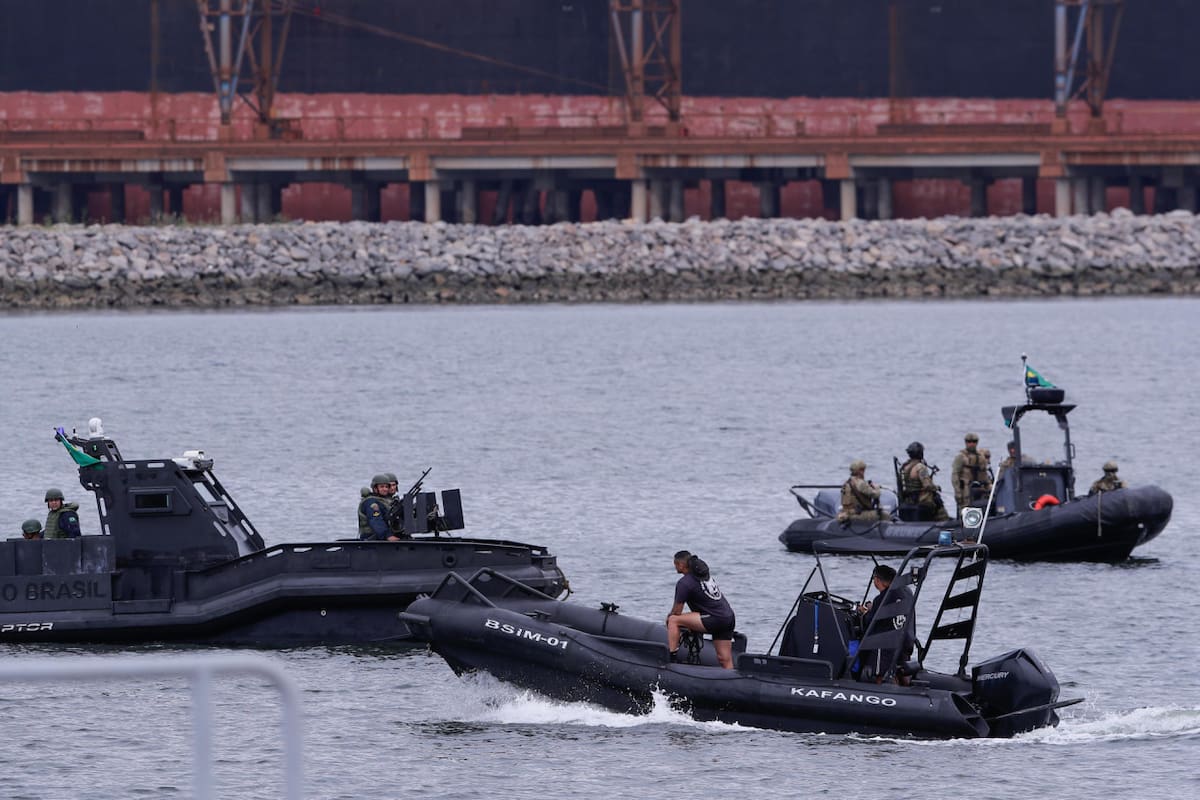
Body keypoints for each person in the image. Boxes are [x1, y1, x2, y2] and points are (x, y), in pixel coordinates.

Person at [667, 551, 736, 669]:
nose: (674, 567)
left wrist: (668, 618)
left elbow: (676, 612)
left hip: (714, 619)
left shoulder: (684, 583)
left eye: (675, 564)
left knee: (673, 620)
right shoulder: (705, 577)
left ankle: (671, 658)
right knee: (724, 659)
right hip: (728, 618)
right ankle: (732, 681)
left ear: (681, 565)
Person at [856, 564, 916, 684]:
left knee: (881, 673)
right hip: (906, 640)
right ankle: (907, 689)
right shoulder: (906, 592)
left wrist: (864, 613)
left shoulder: (882, 599)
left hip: (885, 645)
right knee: (900, 669)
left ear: (877, 580)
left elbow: (870, 622)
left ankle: (888, 693)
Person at [898, 442, 949, 522]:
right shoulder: (920, 467)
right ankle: (944, 521)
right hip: (921, 499)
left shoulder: (904, 467)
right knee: (937, 499)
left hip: (908, 499)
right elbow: (927, 485)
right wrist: (936, 487)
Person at [951, 433, 992, 514]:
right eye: (969, 442)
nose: (971, 444)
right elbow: (955, 476)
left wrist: (990, 487)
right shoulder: (960, 457)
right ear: (966, 443)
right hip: (965, 490)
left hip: (980, 489)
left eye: (974, 442)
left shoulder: (981, 458)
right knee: (965, 510)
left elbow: (985, 475)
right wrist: (958, 492)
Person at [358, 474, 402, 541]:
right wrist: (388, 536)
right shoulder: (371, 502)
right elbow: (376, 520)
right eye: (382, 487)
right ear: (375, 488)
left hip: (382, 537)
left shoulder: (384, 501)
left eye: (386, 487)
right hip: (371, 538)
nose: (385, 489)